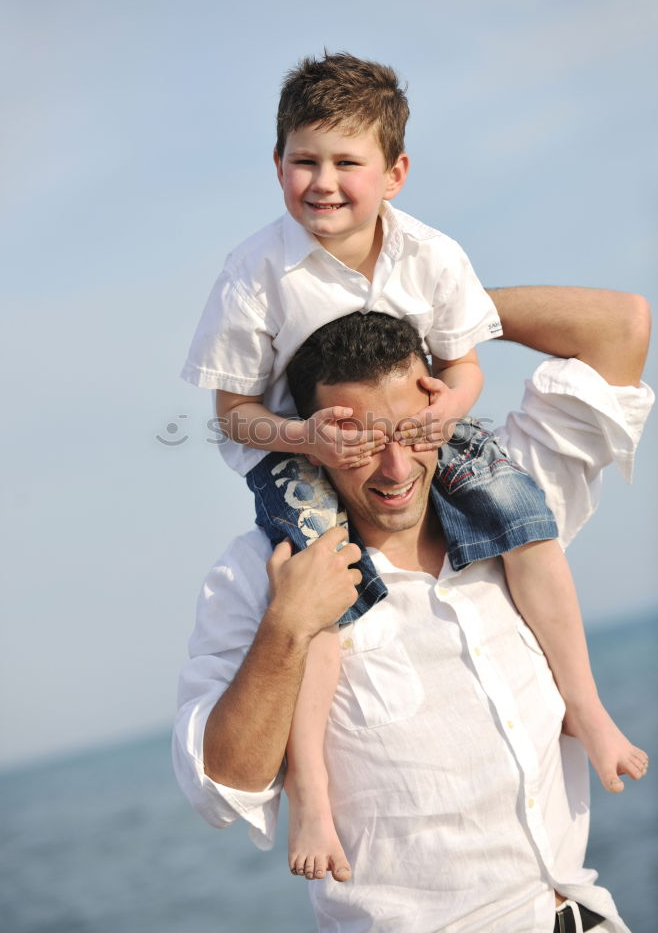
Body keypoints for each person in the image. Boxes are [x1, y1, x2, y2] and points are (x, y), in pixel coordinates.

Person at [180, 52, 647, 882]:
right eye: (303, 161)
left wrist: (442, 406)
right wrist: (310, 440)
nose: (323, 184)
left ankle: (588, 707)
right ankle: (315, 797)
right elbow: (230, 414)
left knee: (527, 525)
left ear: (395, 172)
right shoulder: (254, 274)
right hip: (302, 450)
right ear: (277, 164)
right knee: (327, 597)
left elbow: (474, 364)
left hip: (431, 418)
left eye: (347, 163)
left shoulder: (433, 256)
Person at [173, 287, 652, 933]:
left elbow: (621, 327)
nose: (396, 467)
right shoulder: (263, 572)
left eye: (410, 430)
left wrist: (428, 309)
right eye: (361, 440)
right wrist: (288, 626)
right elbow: (220, 788)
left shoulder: (504, 503)